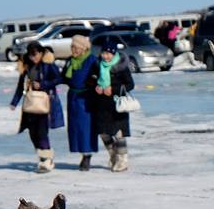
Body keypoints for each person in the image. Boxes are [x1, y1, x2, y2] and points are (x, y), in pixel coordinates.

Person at [79, 39, 134, 172]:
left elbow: (130, 84)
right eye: (104, 53)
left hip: (117, 104)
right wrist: (96, 86)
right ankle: (113, 154)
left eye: (108, 54)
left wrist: (113, 89)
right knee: (103, 132)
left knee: (119, 133)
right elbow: (89, 80)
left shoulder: (121, 67)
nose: (105, 56)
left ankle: (122, 160)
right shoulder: (97, 65)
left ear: (114, 54)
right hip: (102, 104)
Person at [11, 43, 64, 173]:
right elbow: (20, 86)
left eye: (35, 54)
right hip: (30, 104)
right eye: (31, 55)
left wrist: (42, 84)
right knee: (33, 133)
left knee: (41, 132)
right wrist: (14, 102)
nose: (33, 57)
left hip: (45, 104)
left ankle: (46, 160)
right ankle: (43, 157)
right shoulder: (27, 67)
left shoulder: (48, 65)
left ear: (41, 53)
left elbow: (58, 79)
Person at [62, 33, 98, 170]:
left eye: (76, 47)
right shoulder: (70, 61)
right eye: (72, 47)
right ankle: (81, 151)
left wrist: (93, 82)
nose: (73, 50)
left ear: (83, 48)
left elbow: (100, 76)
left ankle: (87, 155)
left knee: (86, 128)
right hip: (73, 97)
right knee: (75, 127)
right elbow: (63, 77)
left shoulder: (91, 60)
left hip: (86, 98)